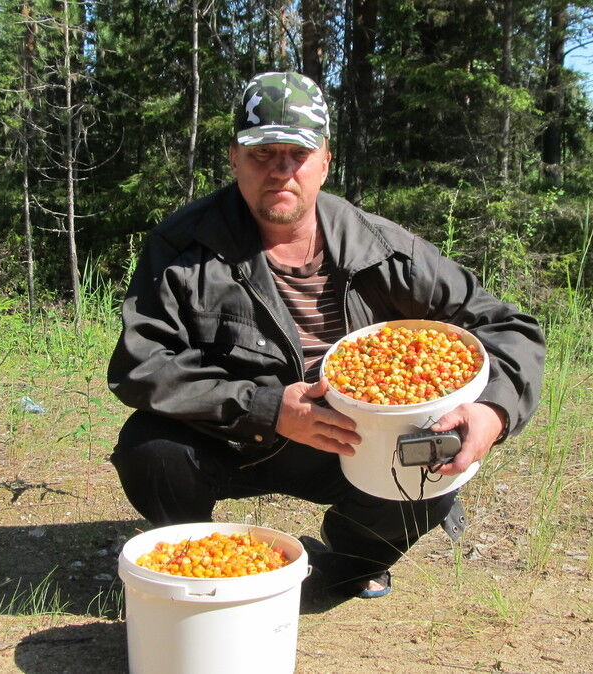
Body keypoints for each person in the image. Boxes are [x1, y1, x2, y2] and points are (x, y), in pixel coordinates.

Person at [107, 71, 545, 600]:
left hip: (364, 440)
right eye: (261, 153)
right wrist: (268, 408)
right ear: (234, 158)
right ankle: (189, 560)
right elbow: (140, 363)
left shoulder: (381, 246)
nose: (280, 171)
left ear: (325, 161)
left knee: (432, 473)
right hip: (236, 435)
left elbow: (507, 325)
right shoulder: (183, 248)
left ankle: (351, 557)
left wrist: (492, 411)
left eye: (297, 154)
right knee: (150, 449)